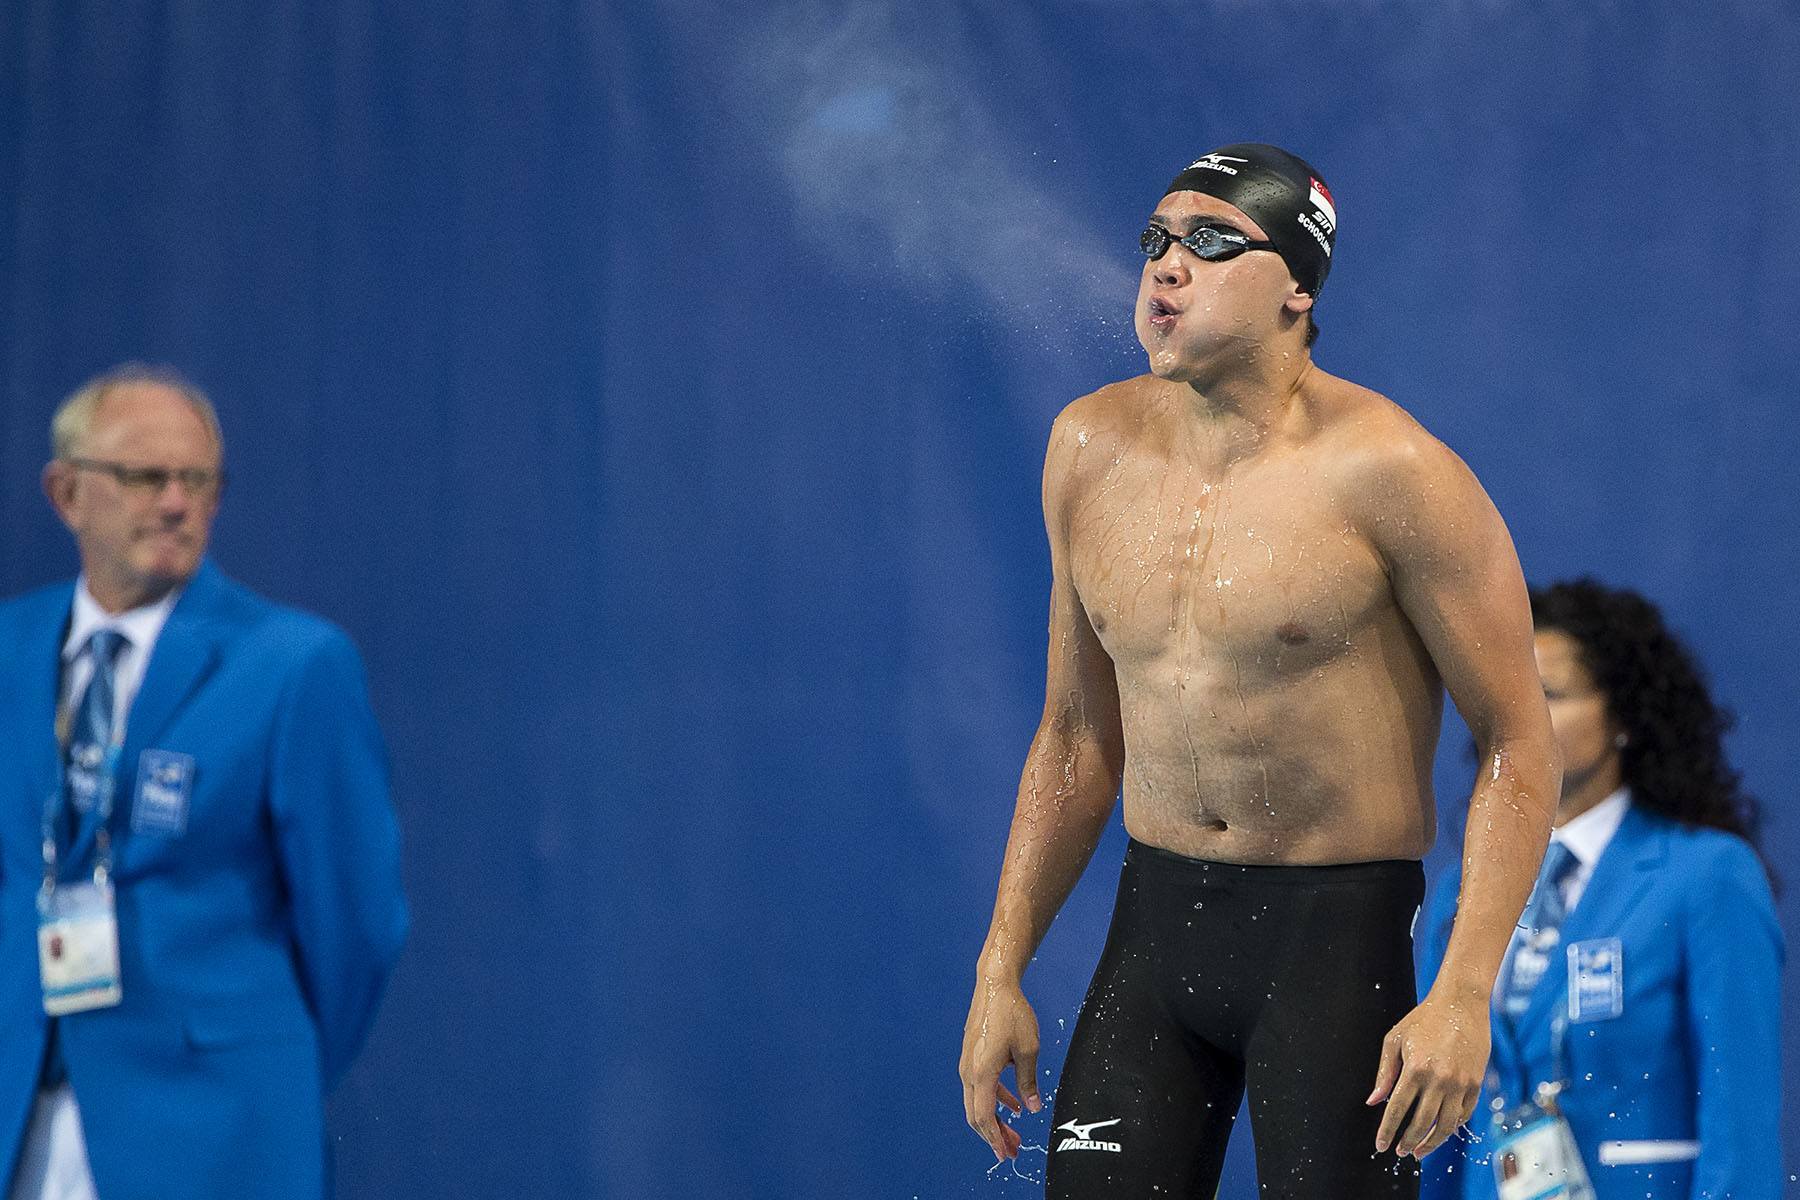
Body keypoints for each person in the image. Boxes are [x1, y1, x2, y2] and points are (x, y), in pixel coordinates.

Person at [957, 143, 1563, 1199]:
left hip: (1336, 943)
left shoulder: (1394, 473)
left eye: (1208, 242)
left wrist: (1465, 994)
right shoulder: (1086, 448)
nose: (1166, 267)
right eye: (1155, 240)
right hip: (1156, 928)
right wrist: (999, 966)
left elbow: (1518, 740)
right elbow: (1073, 740)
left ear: (1296, 285)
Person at [0, 365, 408, 1200]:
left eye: (199, 481)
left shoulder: (292, 665)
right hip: (23, 1112)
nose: (177, 504)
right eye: (146, 477)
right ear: (66, 492)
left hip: (210, 1129)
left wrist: (263, 1067)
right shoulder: (9, 648)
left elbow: (357, 924)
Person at [1417, 579, 1783, 1199]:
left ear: (1624, 716)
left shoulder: (1710, 875)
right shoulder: (1459, 892)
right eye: (1507, 695)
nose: (1521, 717)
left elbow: (1740, 1116)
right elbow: (1436, 1130)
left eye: (1550, 694)